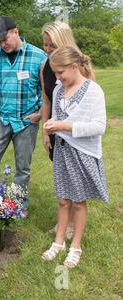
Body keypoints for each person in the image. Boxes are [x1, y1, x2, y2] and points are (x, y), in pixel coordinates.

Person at [41, 46, 108, 268]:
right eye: (56, 73)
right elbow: (57, 116)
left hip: (82, 153)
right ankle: (59, 241)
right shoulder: (60, 89)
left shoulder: (93, 90)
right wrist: (51, 127)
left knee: (78, 202)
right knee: (63, 199)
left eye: (61, 73)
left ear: (74, 66)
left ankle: (75, 246)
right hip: (62, 151)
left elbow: (99, 126)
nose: (58, 78)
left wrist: (63, 125)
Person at [0, 16, 47, 215]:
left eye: (5, 39)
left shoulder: (39, 56)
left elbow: (47, 90)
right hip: (1, 120)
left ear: (16, 32)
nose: (2, 44)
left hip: (27, 122)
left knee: (22, 168)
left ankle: (18, 205)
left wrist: (39, 115)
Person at [40, 21, 91, 239]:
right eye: (45, 45)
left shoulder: (80, 66)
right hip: (56, 134)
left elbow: (89, 101)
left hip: (76, 133)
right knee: (62, 178)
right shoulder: (45, 67)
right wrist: (45, 131)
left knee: (74, 179)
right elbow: (46, 100)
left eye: (52, 45)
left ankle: (72, 224)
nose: (48, 50)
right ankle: (65, 221)